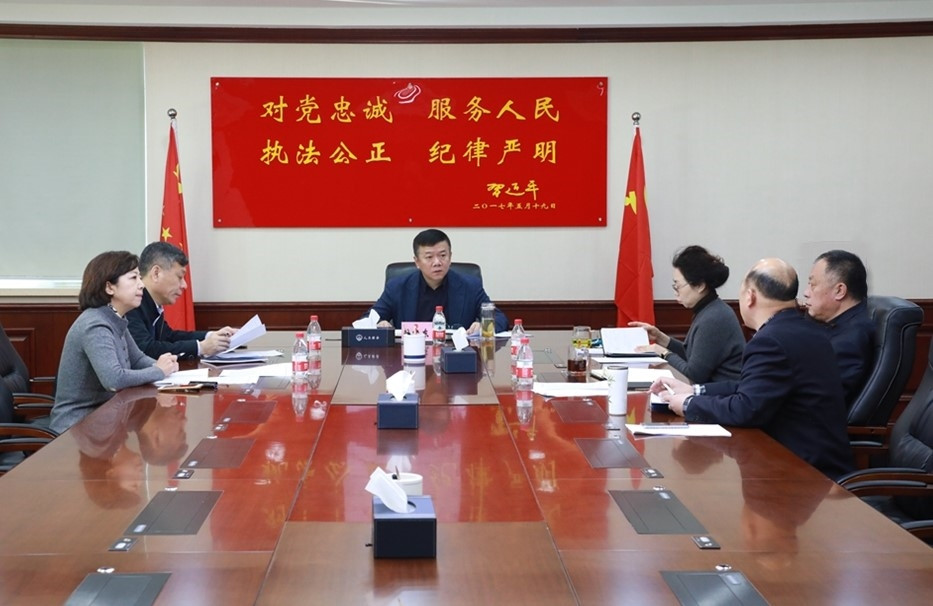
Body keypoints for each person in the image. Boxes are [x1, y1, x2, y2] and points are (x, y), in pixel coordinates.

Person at [651, 258, 855, 481]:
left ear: (750, 297)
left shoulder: (771, 341)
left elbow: (746, 408)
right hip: (808, 460)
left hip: (804, 472)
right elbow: (750, 388)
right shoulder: (806, 330)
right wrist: (694, 391)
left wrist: (689, 404)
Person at [50, 251, 178, 433]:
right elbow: (114, 380)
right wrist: (158, 371)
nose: (141, 285)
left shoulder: (115, 318)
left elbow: (137, 359)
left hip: (104, 420)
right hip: (77, 427)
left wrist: (166, 366)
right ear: (110, 287)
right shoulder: (95, 324)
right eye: (133, 278)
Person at [629, 245, 745, 382]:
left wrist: (662, 352)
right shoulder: (709, 309)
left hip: (721, 393)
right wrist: (661, 338)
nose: (675, 292)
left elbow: (693, 374)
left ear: (700, 286)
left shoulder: (714, 318)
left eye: (678, 286)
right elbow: (693, 356)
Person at [369, 229, 507, 335]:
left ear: (450, 257)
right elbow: (369, 319)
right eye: (429, 257)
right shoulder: (397, 287)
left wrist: (484, 326)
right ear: (417, 262)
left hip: (457, 356)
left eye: (442, 255)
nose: (437, 262)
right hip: (409, 355)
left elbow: (500, 318)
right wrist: (380, 323)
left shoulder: (470, 286)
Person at [127, 241, 236, 359]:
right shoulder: (130, 303)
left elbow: (169, 337)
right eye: (179, 277)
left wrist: (211, 336)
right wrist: (201, 347)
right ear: (156, 274)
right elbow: (146, 349)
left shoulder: (151, 303)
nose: (184, 285)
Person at [803, 249, 874, 406]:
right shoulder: (839, 324)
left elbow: (817, 401)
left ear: (839, 291)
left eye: (813, 285)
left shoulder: (849, 341)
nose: (806, 293)